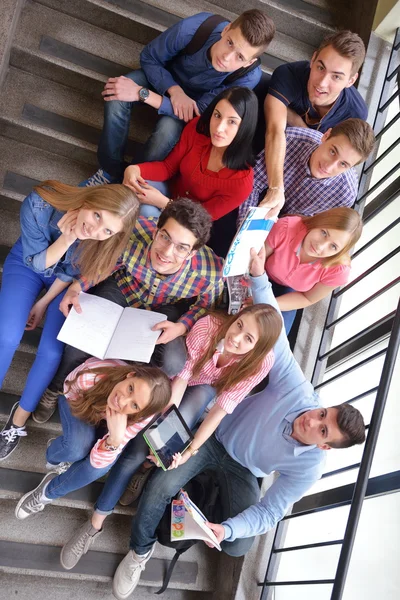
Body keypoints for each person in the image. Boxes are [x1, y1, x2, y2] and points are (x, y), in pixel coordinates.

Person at [73, 247, 365, 600]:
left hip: (244, 469)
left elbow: (270, 511)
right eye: (323, 413)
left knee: (239, 546)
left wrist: (226, 530)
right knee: (159, 488)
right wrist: (258, 276)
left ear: (324, 446)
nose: (312, 418)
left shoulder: (310, 467)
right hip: (214, 437)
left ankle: (197, 502)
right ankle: (140, 551)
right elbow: (270, 327)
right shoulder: (300, 391)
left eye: (322, 429)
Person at [33, 198, 224, 424]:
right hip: (123, 288)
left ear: (192, 253)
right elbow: (106, 265)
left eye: (181, 248)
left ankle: (122, 394)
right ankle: (56, 388)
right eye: (165, 237)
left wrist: (182, 326)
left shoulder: (211, 272)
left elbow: (205, 305)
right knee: (78, 345)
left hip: (165, 307)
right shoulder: (133, 232)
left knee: (173, 362)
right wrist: (77, 286)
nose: (167, 252)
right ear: (156, 231)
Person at [0, 182, 140, 460]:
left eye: (108, 230)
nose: (96, 231)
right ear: (91, 199)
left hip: (63, 284)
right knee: (7, 335)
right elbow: (37, 262)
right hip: (28, 263)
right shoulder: (41, 202)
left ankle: (18, 420)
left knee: (52, 353)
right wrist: (68, 237)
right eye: (97, 215)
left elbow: (71, 272)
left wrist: (42, 303)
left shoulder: (105, 242)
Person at [119, 293, 282, 506]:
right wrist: (164, 425)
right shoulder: (208, 327)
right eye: (239, 325)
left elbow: (220, 411)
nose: (236, 337)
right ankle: (129, 460)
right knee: (158, 429)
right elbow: (182, 378)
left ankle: (145, 467)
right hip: (184, 375)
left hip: (206, 385)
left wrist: (190, 452)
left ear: (257, 348)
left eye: (248, 339)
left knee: (176, 437)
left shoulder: (260, 364)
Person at [88, 10, 275, 186]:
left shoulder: (248, 76)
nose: (227, 57)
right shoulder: (197, 27)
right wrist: (174, 90)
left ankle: (128, 182)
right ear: (227, 29)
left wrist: (141, 94)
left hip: (191, 108)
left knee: (166, 133)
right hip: (162, 78)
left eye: (240, 57)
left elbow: (200, 112)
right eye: (230, 42)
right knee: (116, 95)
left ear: (249, 62)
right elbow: (150, 57)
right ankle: (109, 171)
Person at [14, 359, 171, 553]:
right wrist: (98, 421)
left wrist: (114, 439)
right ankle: (54, 456)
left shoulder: (141, 416)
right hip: (78, 400)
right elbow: (71, 392)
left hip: (106, 421)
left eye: (134, 405)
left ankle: (46, 494)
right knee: (75, 447)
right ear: (129, 375)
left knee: (101, 467)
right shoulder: (92, 376)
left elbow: (99, 462)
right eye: (130, 389)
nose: (122, 401)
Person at [123, 86, 258, 257]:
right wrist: (135, 168)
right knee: (139, 185)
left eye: (232, 122)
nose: (219, 128)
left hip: (189, 226)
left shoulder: (242, 181)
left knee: (147, 212)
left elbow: (201, 220)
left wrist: (164, 203)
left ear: (244, 127)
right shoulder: (198, 128)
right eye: (217, 116)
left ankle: (138, 255)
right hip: (169, 190)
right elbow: (168, 167)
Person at [259, 30, 368, 217]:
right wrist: (276, 188)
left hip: (306, 170)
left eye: (336, 77)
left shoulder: (355, 113)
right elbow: (275, 130)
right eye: (320, 67)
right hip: (268, 148)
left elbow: (341, 156)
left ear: (351, 80)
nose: (322, 83)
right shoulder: (289, 75)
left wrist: (293, 119)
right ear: (313, 58)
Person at [239, 118, 375, 222]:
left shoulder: (344, 195)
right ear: (326, 135)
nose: (329, 166)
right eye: (333, 152)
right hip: (258, 200)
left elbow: (312, 227)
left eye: (343, 164)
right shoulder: (290, 140)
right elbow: (253, 184)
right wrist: (245, 230)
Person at [264, 207, 363, 333]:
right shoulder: (287, 227)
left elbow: (308, 298)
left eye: (333, 246)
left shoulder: (338, 270)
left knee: (273, 338)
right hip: (261, 272)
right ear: (319, 221)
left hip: (290, 293)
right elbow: (257, 259)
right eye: (324, 233)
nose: (320, 246)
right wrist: (258, 291)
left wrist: (267, 303)